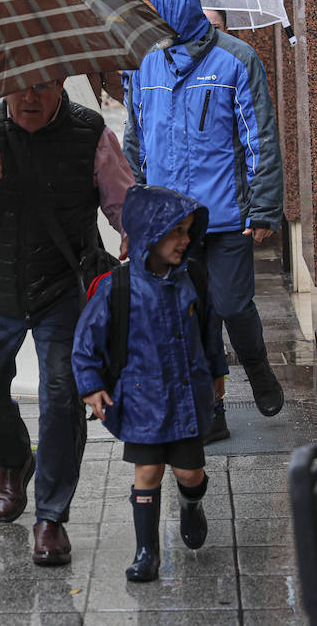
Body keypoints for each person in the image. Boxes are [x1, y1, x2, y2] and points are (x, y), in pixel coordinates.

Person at [0, 78, 132, 566]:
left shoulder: (91, 134)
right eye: (18, 87)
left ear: (63, 79)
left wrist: (141, 236)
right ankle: (12, 459)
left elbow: (121, 202)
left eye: (41, 87)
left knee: (63, 396)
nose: (29, 98)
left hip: (63, 287)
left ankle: (51, 516)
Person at [123, 0, 285, 424]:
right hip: (169, 221)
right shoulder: (142, 65)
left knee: (232, 305)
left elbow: (261, 139)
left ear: (177, 10)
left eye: (152, 11)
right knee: (191, 318)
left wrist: (266, 206)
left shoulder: (236, 60)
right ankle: (209, 409)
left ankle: (259, 370)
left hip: (227, 216)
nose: (146, 21)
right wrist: (128, 207)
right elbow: (134, 141)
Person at [73, 185, 222, 582]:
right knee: (148, 471)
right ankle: (146, 551)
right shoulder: (115, 288)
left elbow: (209, 333)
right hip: (141, 400)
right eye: (176, 232)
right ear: (150, 235)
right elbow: (85, 343)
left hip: (187, 397)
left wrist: (217, 374)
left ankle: (192, 504)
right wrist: (90, 387)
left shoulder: (193, 281)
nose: (185, 241)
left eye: (189, 232)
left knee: (190, 474)